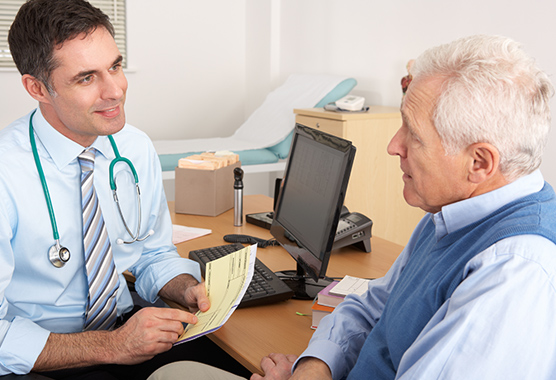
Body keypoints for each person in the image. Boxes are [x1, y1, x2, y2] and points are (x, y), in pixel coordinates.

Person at [155, 34, 556, 379]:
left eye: (413, 135)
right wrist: (314, 368)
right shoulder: (450, 216)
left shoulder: (514, 271)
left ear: (479, 163)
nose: (393, 145)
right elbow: (372, 305)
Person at [0, 1, 250, 379]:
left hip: (126, 330)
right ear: (37, 88)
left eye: (115, 66)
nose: (115, 91)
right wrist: (112, 346)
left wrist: (182, 287)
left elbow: (152, 253)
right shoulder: (6, 172)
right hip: (39, 358)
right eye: (87, 78)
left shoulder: (132, 147)